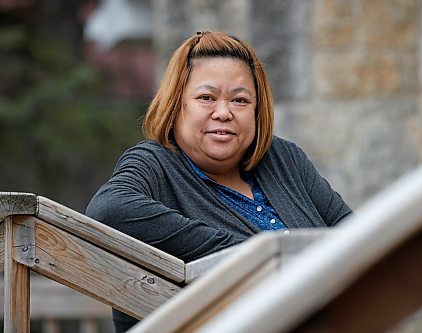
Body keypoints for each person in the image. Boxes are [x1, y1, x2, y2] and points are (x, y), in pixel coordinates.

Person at [86, 30, 352, 332]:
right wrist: (253, 255)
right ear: (176, 106)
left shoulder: (284, 160)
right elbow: (108, 210)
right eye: (206, 98)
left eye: (239, 100)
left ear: (256, 110)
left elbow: (353, 235)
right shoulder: (154, 164)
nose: (223, 112)